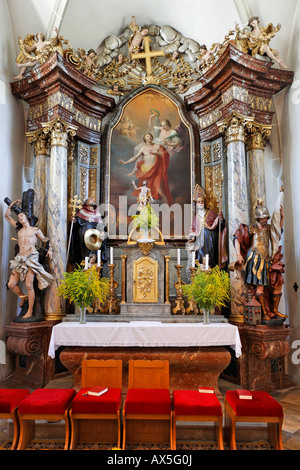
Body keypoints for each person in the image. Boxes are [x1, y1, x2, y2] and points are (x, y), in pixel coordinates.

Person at [233, 199, 286, 321]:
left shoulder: (268, 228)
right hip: (256, 260)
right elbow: (237, 237)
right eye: (262, 219)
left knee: (276, 284)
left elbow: (278, 231)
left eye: (266, 218)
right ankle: (264, 313)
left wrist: (282, 217)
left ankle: (273, 310)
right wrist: (238, 254)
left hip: (267, 260)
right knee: (260, 287)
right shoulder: (251, 228)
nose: (265, 221)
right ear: (257, 219)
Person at [5, 200, 53, 320]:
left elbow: (45, 239)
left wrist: (50, 249)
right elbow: (7, 216)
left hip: (31, 257)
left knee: (29, 285)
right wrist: (12, 204)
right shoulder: (19, 229)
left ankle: (30, 311)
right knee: (11, 284)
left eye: (21, 216)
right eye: (19, 217)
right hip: (20, 259)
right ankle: (23, 297)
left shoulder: (35, 230)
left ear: (27, 217)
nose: (20, 218)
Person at [119, 132, 173, 205]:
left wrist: (156, 153)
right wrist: (125, 163)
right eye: (147, 136)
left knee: (159, 191)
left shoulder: (157, 146)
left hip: (156, 170)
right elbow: (135, 158)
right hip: (146, 171)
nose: (149, 137)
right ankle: (145, 210)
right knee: (145, 192)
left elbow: (165, 155)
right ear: (145, 139)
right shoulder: (143, 148)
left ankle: (167, 209)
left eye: (150, 136)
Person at [188, 185, 227, 269]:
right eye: (199, 202)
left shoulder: (211, 213)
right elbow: (193, 230)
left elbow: (220, 226)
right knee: (200, 257)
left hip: (210, 239)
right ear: (196, 204)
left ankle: (212, 272)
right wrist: (192, 238)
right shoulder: (196, 217)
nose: (200, 204)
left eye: (202, 202)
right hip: (200, 242)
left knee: (211, 256)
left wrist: (220, 220)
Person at [69, 197, 106, 266]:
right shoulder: (81, 213)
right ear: (86, 205)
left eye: (93, 206)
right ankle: (84, 262)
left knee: (94, 250)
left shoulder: (97, 215)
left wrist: (102, 233)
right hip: (83, 240)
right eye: (90, 205)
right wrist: (73, 221)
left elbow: (101, 227)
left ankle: (93, 259)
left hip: (95, 240)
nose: (92, 208)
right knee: (84, 253)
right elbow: (75, 225)